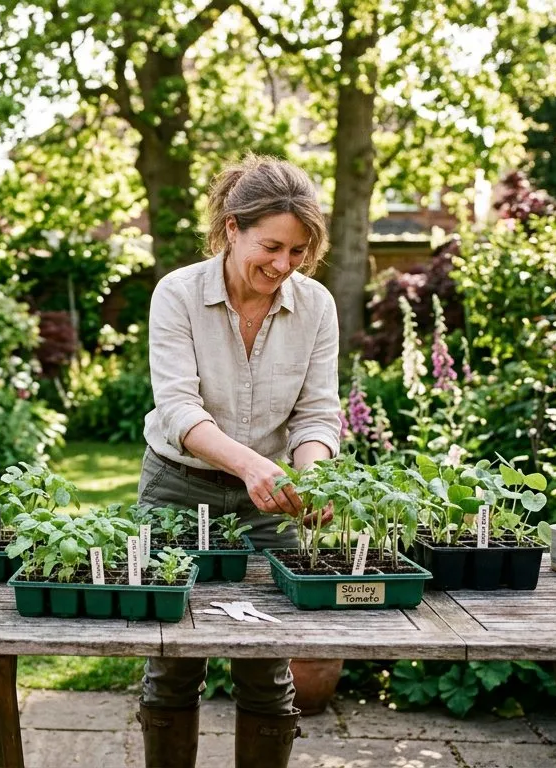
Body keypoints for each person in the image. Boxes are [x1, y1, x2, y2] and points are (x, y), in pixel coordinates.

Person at [136, 155, 341, 768]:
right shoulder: (177, 295)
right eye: (271, 246)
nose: (283, 265)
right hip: (178, 488)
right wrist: (254, 466)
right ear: (232, 228)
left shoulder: (316, 306)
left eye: (298, 251)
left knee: (266, 668)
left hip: (270, 501)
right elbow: (179, 409)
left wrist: (312, 475)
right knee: (173, 664)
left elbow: (316, 413)